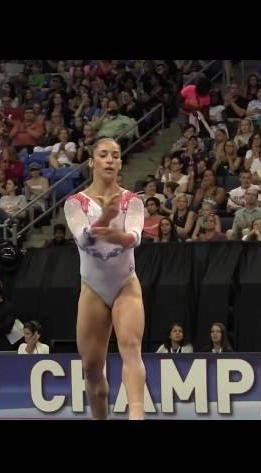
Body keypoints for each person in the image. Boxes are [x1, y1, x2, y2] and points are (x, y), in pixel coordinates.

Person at [64, 137, 146, 420]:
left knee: (131, 346)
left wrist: (118, 233)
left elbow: (134, 237)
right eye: (103, 155)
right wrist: (104, 220)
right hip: (93, 290)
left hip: (125, 284)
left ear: (121, 162)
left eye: (115, 155)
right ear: (92, 162)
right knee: (91, 368)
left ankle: (137, 415)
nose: (110, 159)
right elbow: (84, 240)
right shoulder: (75, 203)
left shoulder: (131, 201)